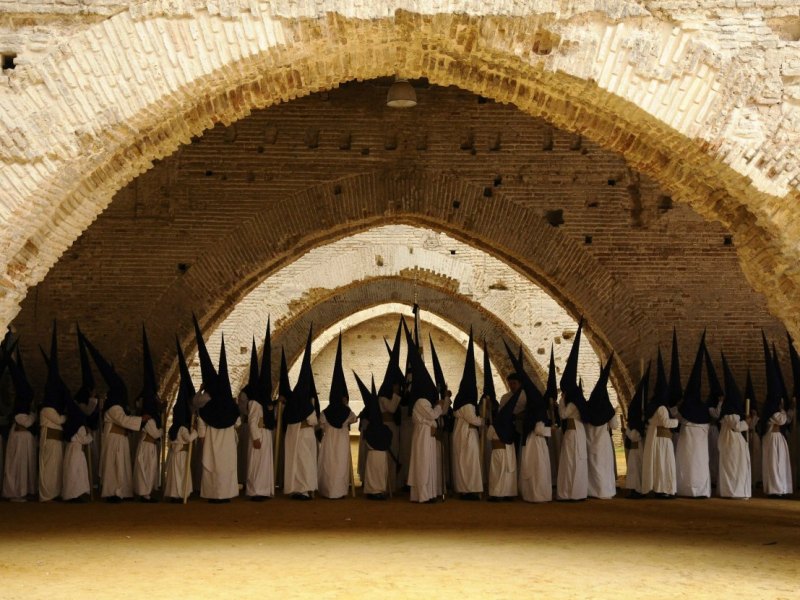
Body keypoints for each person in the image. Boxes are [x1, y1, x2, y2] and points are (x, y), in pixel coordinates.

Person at [83, 332, 143, 502]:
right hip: (114, 439)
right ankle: (111, 493)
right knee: (113, 467)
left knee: (122, 467)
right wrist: (141, 420)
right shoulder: (114, 407)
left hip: (120, 439)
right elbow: (123, 420)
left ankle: (122, 492)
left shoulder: (117, 405)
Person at [192, 317, 241, 503]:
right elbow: (237, 422)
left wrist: (201, 389)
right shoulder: (230, 405)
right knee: (226, 467)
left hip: (212, 442)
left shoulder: (206, 404)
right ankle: (226, 494)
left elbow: (201, 425)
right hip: (227, 442)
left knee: (212, 467)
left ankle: (213, 494)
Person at [407, 327, 451, 503]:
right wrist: (440, 405)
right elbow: (434, 414)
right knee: (423, 465)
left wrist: (445, 399)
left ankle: (430, 493)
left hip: (429, 436)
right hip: (424, 435)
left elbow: (442, 411)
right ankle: (422, 495)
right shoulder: (421, 402)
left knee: (430, 465)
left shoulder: (426, 402)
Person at [317, 334, 357, 499]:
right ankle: (339, 491)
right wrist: (346, 406)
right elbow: (354, 419)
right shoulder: (346, 411)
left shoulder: (325, 412)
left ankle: (328, 491)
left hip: (329, 441)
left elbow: (320, 423)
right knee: (340, 465)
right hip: (341, 441)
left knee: (329, 464)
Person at [283, 329, 318, 500]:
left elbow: (287, 418)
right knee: (305, 463)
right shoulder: (307, 404)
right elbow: (313, 421)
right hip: (305, 435)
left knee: (295, 462)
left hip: (293, 434)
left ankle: (297, 488)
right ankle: (303, 489)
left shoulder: (292, 402)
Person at [556, 319, 589, 501]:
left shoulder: (572, 403)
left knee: (571, 462)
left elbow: (562, 414)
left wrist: (561, 400)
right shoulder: (579, 401)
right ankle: (576, 492)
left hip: (572, 433)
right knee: (575, 462)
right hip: (577, 432)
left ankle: (570, 492)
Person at [676, 332, 711, 498]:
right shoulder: (703, 409)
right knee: (700, 464)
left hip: (687, 438)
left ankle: (686, 488)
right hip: (701, 441)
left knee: (687, 463)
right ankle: (701, 490)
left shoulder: (685, 407)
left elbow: (678, 419)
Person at [164, 338, 198, 502]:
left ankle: (174, 494)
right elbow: (189, 438)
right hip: (181, 456)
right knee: (179, 476)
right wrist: (196, 431)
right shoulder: (183, 429)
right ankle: (178, 495)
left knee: (174, 476)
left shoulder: (174, 428)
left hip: (174, 455)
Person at [451, 329, 483, 500]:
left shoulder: (460, 401)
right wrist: (484, 419)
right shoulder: (468, 404)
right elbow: (474, 420)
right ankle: (469, 490)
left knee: (463, 462)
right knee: (469, 463)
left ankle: (466, 489)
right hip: (467, 435)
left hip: (461, 434)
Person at [245, 323, 276, 500]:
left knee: (264, 464)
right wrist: (256, 437)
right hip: (259, 435)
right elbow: (252, 420)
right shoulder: (255, 402)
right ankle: (255, 490)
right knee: (256, 464)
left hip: (266, 433)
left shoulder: (265, 401)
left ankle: (263, 490)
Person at [2, 349, 37, 502]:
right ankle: (15, 492)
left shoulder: (24, 410)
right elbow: (28, 421)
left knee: (25, 467)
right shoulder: (20, 413)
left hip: (24, 442)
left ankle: (24, 490)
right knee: (17, 467)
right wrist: (34, 415)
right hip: (19, 442)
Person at [760, 334, 793, 497]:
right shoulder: (773, 409)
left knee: (780, 464)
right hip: (773, 439)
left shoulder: (773, 408)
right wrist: (783, 407)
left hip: (777, 439)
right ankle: (775, 489)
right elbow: (782, 419)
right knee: (774, 464)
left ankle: (781, 488)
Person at [642, 352, 678, 498]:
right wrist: (676, 421)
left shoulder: (652, 405)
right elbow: (665, 422)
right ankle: (662, 489)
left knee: (658, 463)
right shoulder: (662, 408)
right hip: (662, 439)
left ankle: (660, 488)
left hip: (656, 437)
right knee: (663, 463)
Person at [39, 324, 68, 502]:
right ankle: (46, 494)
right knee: (49, 468)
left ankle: (54, 493)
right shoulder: (48, 409)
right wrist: (67, 416)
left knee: (56, 469)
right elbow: (59, 419)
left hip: (56, 441)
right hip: (49, 440)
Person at [133, 327, 162, 502]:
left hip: (149, 447)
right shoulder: (149, 420)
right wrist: (162, 430)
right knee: (145, 469)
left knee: (149, 469)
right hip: (147, 445)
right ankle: (144, 494)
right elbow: (156, 433)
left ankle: (148, 492)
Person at [717, 354, 751, 499]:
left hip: (733, 443)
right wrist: (747, 423)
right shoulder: (730, 412)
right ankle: (733, 491)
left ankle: (735, 491)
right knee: (734, 468)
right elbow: (736, 426)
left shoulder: (730, 411)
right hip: (732, 444)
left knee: (736, 468)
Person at [585, 354, 618, 499]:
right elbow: (615, 426)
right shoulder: (607, 409)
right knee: (604, 465)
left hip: (590, 439)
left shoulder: (588, 406)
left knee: (593, 466)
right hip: (603, 440)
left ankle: (592, 490)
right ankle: (605, 491)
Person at [358, 374, 394, 500]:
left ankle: (376, 491)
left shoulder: (377, 429)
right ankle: (374, 491)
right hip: (378, 453)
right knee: (375, 473)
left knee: (377, 473)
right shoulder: (382, 428)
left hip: (376, 454)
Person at [488, 378, 521, 501]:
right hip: (508, 450)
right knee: (507, 474)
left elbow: (488, 436)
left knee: (498, 474)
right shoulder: (509, 426)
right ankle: (508, 493)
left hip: (498, 451)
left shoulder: (495, 425)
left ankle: (497, 495)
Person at [61, 394, 93, 502]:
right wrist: (90, 436)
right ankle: (74, 495)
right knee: (76, 472)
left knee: (72, 471)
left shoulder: (70, 425)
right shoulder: (80, 426)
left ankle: (72, 494)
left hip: (71, 450)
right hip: (77, 451)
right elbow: (84, 440)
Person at [624, 365, 649, 499]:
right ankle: (635, 489)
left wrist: (627, 429)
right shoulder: (638, 423)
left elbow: (633, 436)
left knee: (637, 469)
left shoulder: (636, 425)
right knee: (634, 469)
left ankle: (638, 489)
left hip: (638, 448)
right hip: (636, 449)